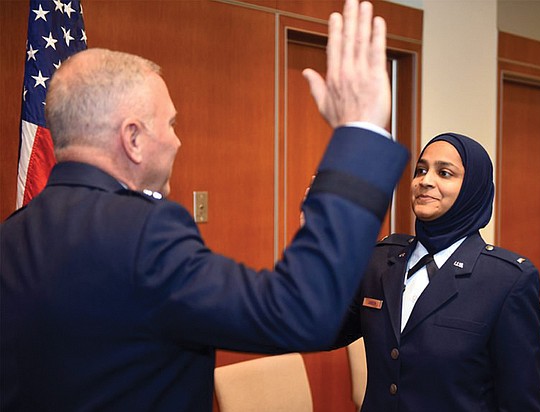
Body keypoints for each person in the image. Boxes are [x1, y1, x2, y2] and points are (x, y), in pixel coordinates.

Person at [0, 1, 409, 410]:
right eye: (171, 124)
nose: (177, 141)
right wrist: (360, 130)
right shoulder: (143, 232)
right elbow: (299, 310)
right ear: (134, 138)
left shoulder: (13, 234)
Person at [334, 132, 540, 411]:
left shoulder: (506, 280)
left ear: (473, 188)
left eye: (444, 173)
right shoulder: (381, 260)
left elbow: (521, 402)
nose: (425, 181)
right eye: (420, 170)